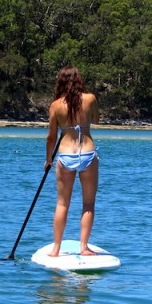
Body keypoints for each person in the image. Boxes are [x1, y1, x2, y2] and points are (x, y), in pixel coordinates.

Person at [46, 66, 99, 257]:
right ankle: (83, 247)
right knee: (88, 204)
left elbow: (51, 137)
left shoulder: (55, 105)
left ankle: (56, 249)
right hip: (87, 153)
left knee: (62, 204)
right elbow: (97, 119)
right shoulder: (90, 98)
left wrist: (48, 159)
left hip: (65, 154)